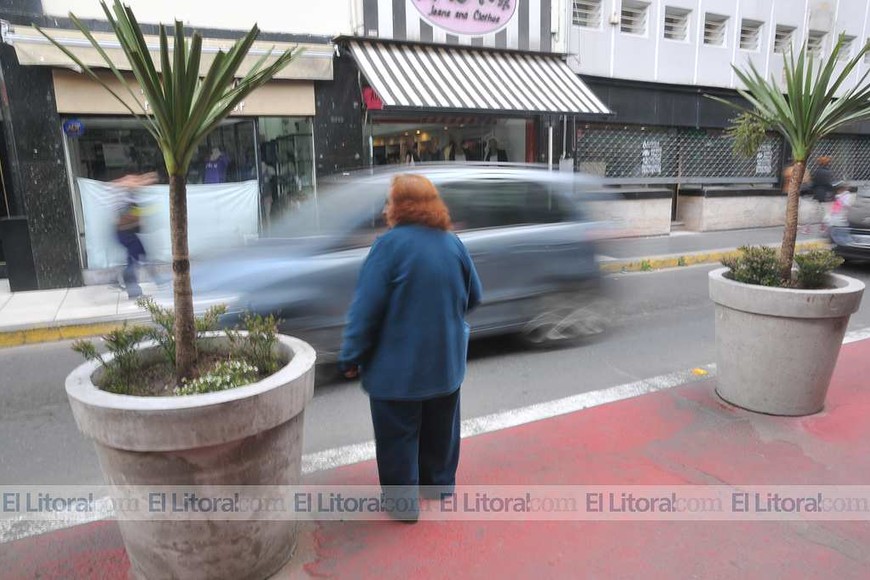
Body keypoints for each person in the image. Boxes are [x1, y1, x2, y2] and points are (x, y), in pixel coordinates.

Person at [338, 174, 483, 522]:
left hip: (397, 373)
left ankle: (403, 506)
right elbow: (474, 295)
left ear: (399, 206)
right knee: (440, 431)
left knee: (397, 437)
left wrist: (351, 355)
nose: (386, 208)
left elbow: (365, 311)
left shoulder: (388, 247)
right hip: (445, 364)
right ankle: (438, 485)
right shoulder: (453, 243)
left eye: (390, 201)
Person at [112, 171, 163, 299]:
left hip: (127, 233)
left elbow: (135, 181)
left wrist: (147, 179)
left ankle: (156, 282)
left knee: (139, 256)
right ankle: (135, 286)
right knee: (135, 260)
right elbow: (129, 182)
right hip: (124, 234)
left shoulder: (128, 194)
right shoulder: (125, 194)